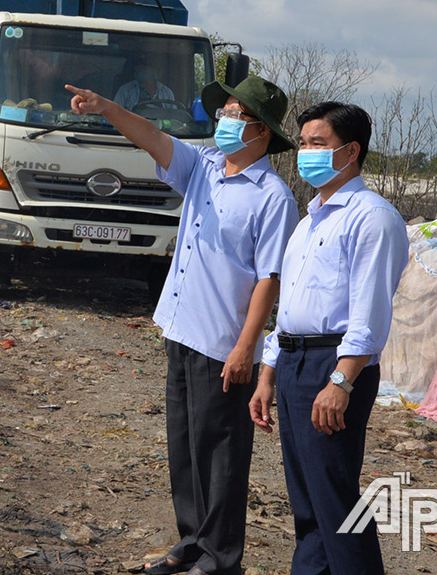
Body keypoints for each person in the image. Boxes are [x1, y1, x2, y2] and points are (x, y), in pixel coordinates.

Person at [65, 74, 298, 575]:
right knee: (185, 445)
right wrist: (107, 105)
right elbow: (152, 136)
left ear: (261, 133)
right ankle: (190, 542)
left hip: (223, 341)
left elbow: (268, 279)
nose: (225, 122)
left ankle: (220, 557)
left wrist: (245, 347)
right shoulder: (205, 166)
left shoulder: (273, 196)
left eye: (237, 116)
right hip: (181, 327)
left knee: (222, 454)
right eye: (226, 112)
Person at [248, 102, 408, 575]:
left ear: (351, 150)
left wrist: (341, 382)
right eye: (303, 143)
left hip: (333, 366)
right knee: (307, 499)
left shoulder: (372, 218)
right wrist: (268, 373)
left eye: (318, 143)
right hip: (296, 364)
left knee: (335, 498)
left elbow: (370, 313)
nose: (306, 152)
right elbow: (291, 309)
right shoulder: (309, 220)